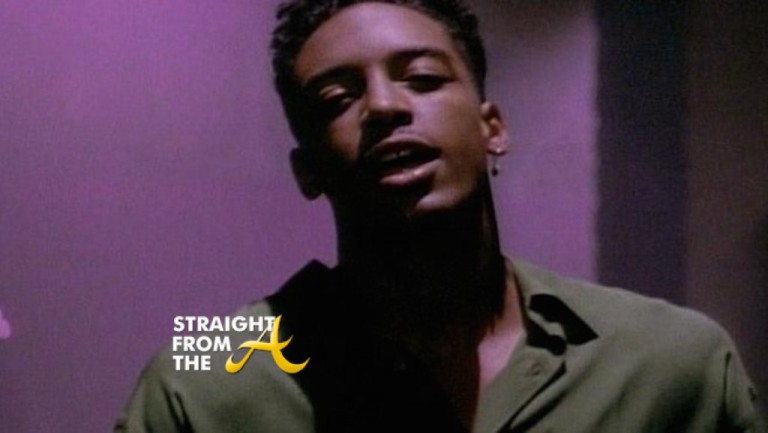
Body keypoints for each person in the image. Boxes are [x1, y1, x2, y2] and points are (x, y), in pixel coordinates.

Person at [116, 0, 764, 431]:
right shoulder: (205, 379)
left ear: (492, 128)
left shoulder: (669, 362)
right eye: (338, 98)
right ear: (308, 170)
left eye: (423, 79)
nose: (383, 107)